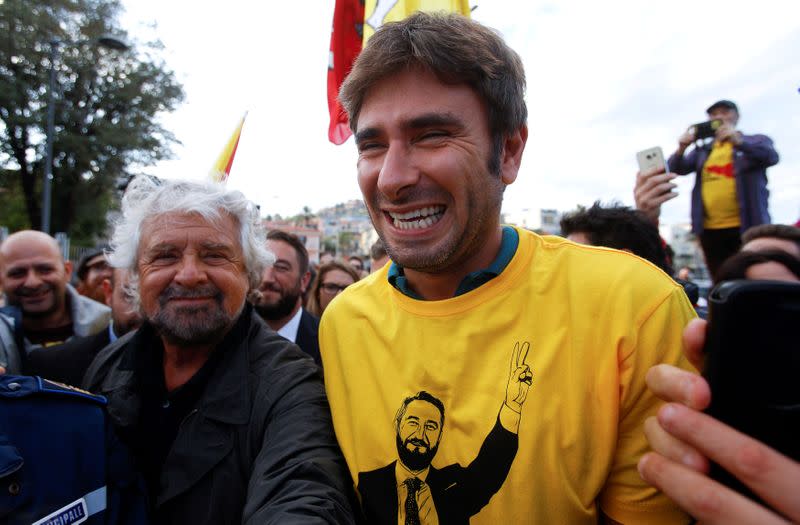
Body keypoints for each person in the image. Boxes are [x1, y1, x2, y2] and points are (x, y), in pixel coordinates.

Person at [320, 12, 696, 524]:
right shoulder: (341, 324)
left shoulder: (634, 308)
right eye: (372, 145)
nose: (391, 179)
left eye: (431, 135)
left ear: (510, 151)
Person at [82, 176, 355, 524]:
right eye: (165, 256)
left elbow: (306, 495)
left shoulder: (290, 385)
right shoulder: (108, 367)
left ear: (250, 274)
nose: (190, 274)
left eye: (214, 255)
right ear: (136, 274)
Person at [666, 100, 779, 281]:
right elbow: (676, 168)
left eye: (725, 112)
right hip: (710, 229)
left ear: (736, 116)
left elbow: (771, 156)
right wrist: (682, 148)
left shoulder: (754, 141)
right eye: (714, 114)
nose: (719, 117)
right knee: (719, 278)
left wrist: (739, 141)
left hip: (747, 225)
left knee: (753, 276)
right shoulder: (704, 150)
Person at [0, 230, 110, 373]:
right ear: (1, 280)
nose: (33, 282)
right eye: (18, 273)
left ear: (67, 271)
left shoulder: (108, 323)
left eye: (44, 269)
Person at [25, 268, 142, 386]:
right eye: (130, 295)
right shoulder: (50, 366)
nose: (144, 311)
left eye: (159, 295)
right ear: (109, 293)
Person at [252, 230, 321, 364]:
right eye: (261, 266)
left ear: (304, 281)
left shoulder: (326, 339)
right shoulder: (227, 335)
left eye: (281, 268)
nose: (267, 279)